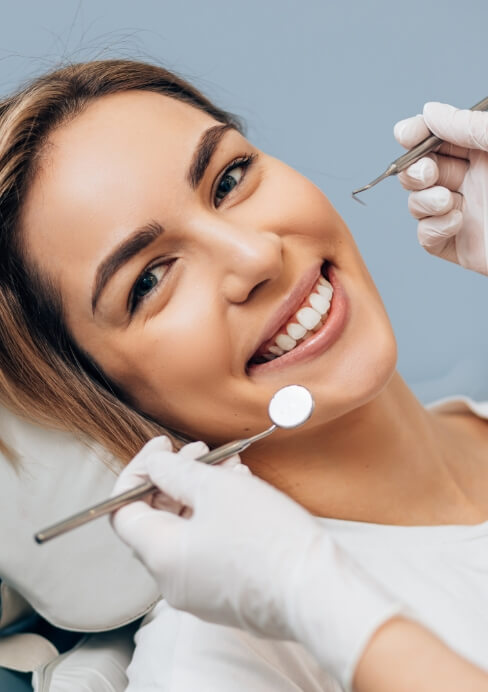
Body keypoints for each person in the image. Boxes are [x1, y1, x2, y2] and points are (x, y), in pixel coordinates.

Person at [0, 58, 486, 690]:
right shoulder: (215, 663)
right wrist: (314, 598)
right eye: (148, 280)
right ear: (97, 391)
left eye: (228, 179)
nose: (256, 255)